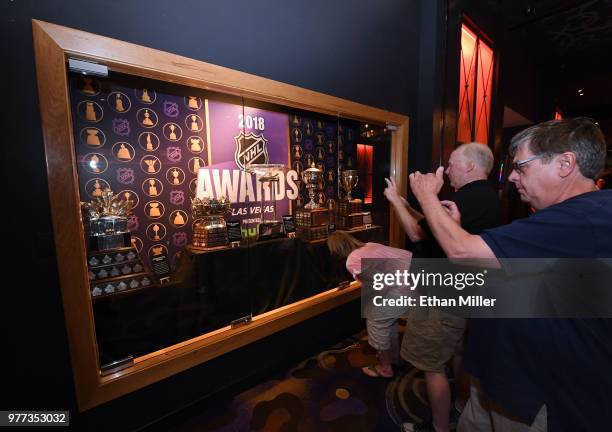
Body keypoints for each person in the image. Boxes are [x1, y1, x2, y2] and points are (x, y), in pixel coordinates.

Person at [407, 117, 612, 431]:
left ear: (565, 163)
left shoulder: (585, 216)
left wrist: (425, 196)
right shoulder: (568, 217)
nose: (513, 179)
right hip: (503, 377)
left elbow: (462, 251)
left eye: (522, 167)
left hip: (533, 394)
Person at [385, 142, 502, 432]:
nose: (447, 170)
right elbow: (429, 224)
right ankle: (461, 405)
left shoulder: (467, 200)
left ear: (470, 166)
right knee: (458, 352)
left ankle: (439, 427)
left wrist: (396, 202)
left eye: (451, 164)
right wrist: (411, 203)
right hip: (465, 292)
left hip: (443, 296)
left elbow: (415, 233)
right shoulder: (487, 197)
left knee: (431, 366)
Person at [327, 231, 412, 378]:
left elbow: (380, 282)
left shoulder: (352, 260)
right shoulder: (370, 245)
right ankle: (395, 358)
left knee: (375, 322)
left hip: (402, 288)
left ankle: (385, 368)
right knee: (388, 321)